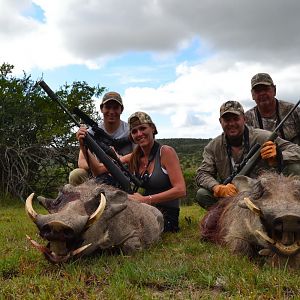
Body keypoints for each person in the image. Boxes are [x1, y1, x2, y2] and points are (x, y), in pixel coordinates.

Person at [195, 100, 300, 209]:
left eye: (236, 119)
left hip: (263, 192)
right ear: (220, 121)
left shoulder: (263, 137)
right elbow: (202, 173)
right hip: (231, 194)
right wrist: (216, 187)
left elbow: (297, 150)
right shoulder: (212, 146)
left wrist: (280, 155)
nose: (231, 124)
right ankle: (224, 218)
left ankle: (291, 210)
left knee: (295, 168)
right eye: (227, 120)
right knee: (202, 194)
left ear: (244, 119)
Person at [126, 112, 186, 232]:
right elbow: (103, 166)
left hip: (165, 214)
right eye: (134, 131)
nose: (139, 134)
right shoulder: (134, 157)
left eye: (143, 128)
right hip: (142, 210)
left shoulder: (166, 152)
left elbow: (181, 190)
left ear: (152, 128)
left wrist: (145, 199)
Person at [69, 91, 133, 185]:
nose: (111, 112)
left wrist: (119, 162)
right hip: (99, 175)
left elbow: (140, 156)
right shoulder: (91, 132)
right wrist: (102, 167)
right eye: (107, 107)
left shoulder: (132, 130)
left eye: (115, 107)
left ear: (121, 109)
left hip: (126, 175)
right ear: (101, 109)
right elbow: (81, 163)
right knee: (76, 174)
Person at [245, 73, 300, 145]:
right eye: (258, 91)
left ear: (274, 90)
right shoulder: (246, 119)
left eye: (265, 89)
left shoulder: (294, 111)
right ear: (252, 95)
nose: (262, 93)